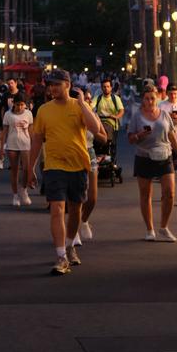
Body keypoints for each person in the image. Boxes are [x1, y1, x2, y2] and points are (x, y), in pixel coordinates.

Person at [27, 69, 104, 276]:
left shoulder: (79, 106)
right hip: (53, 165)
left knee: (75, 210)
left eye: (56, 84)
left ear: (68, 85)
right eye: (50, 85)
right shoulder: (43, 110)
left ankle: (70, 246)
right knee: (57, 209)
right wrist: (31, 167)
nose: (52, 88)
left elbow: (96, 129)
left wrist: (81, 103)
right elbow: (36, 139)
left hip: (78, 165)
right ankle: (61, 255)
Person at [128, 84, 177, 241]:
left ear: (158, 98)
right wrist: (140, 134)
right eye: (147, 98)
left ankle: (164, 227)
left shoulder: (164, 114)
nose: (150, 101)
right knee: (146, 194)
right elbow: (130, 139)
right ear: (143, 100)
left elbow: (172, 135)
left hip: (164, 156)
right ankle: (149, 229)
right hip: (144, 157)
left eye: (153, 98)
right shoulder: (136, 116)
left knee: (170, 193)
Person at [78, 87, 105, 242]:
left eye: (89, 98)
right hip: (75, 154)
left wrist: (93, 129)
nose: (88, 101)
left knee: (92, 197)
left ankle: (84, 220)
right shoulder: (71, 115)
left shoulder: (94, 116)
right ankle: (73, 229)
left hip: (90, 152)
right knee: (77, 195)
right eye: (84, 98)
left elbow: (103, 138)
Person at [0, 93, 33, 206]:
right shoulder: (8, 115)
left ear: (25, 105)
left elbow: (31, 130)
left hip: (26, 144)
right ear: (13, 103)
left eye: (22, 105)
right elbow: (4, 132)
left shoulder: (29, 114)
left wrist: (34, 145)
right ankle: (15, 195)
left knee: (26, 169)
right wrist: (1, 148)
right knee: (14, 170)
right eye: (18, 104)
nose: (20, 107)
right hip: (12, 144)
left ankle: (23, 190)